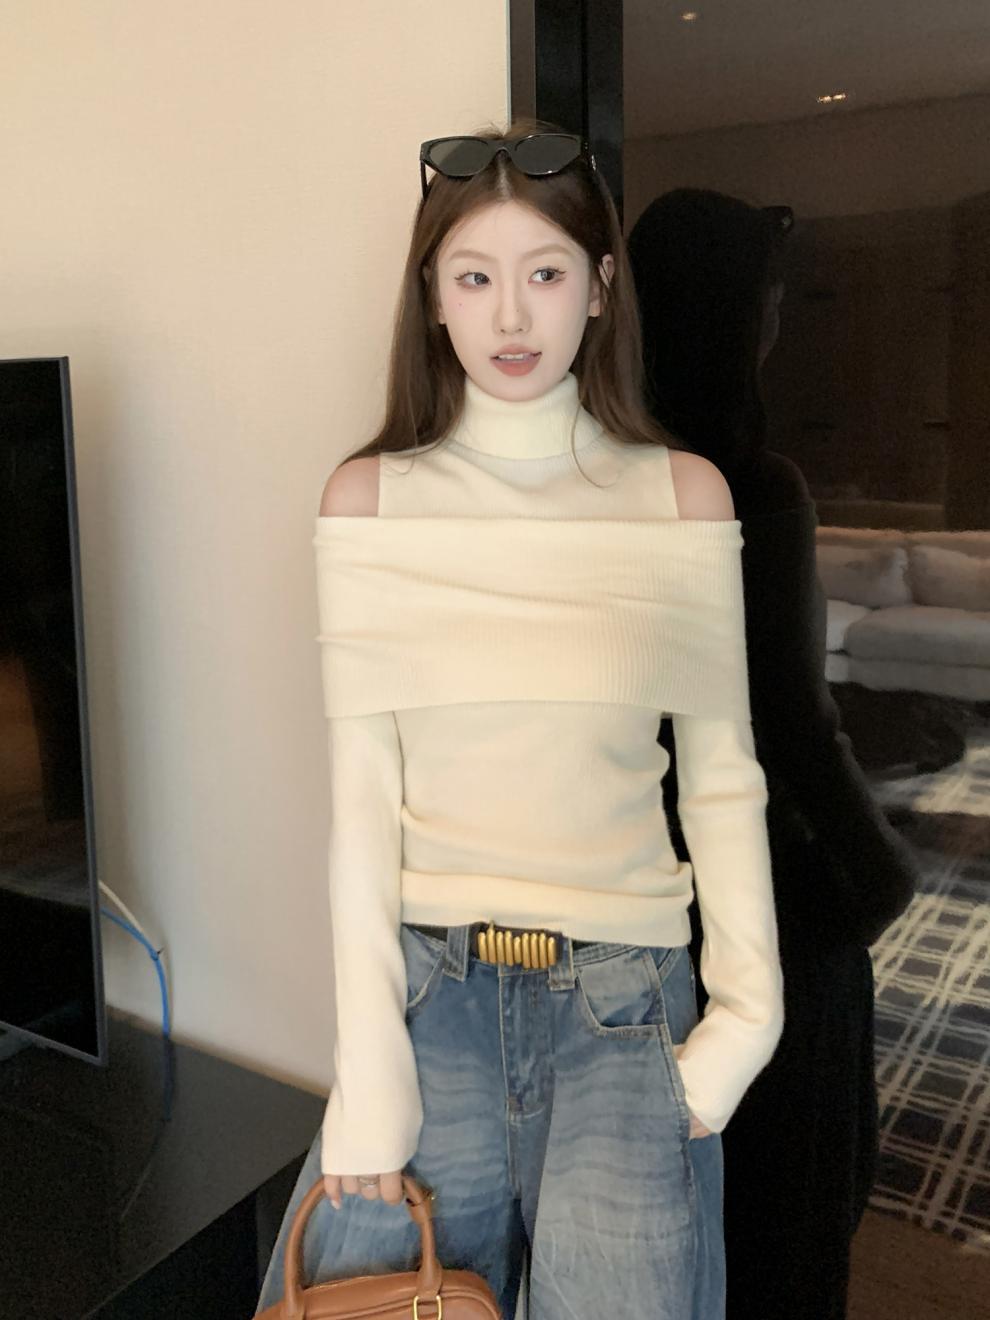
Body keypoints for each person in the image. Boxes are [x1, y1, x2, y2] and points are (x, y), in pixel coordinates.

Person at [255, 123, 785, 1320]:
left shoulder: (681, 497)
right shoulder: (369, 502)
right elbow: (362, 799)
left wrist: (745, 1028)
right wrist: (369, 1069)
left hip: (625, 1009)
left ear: (599, 289)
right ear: (432, 296)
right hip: (429, 998)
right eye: (474, 276)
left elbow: (723, 779)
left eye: (544, 273)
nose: (509, 315)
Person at [627, 187, 919, 1320]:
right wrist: (881, 875)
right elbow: (796, 725)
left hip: (644, 894)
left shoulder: (595, 482)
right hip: (772, 895)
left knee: (685, 1211)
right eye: (769, 298)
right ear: (728, 314)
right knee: (796, 1207)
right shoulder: (755, 490)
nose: (778, 320)